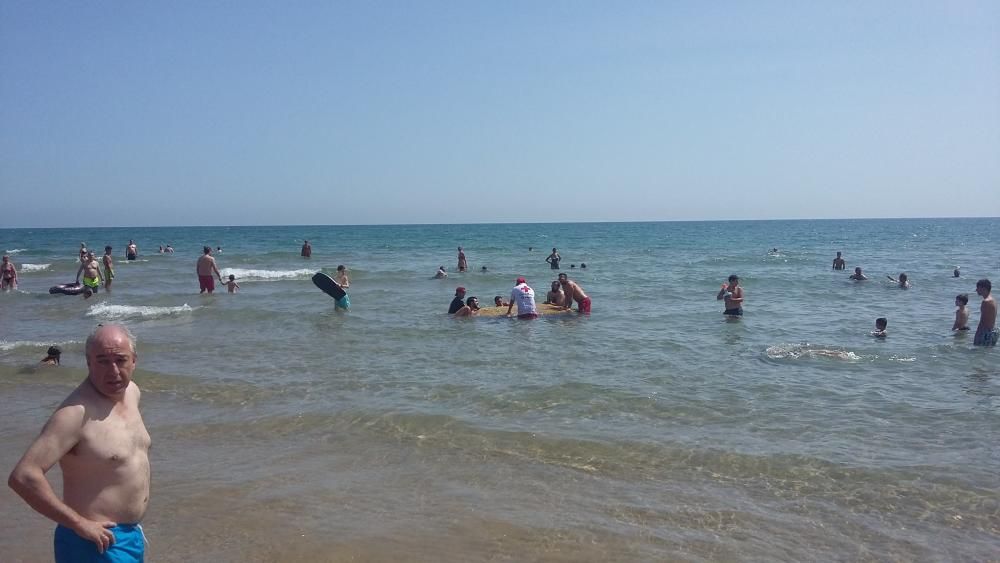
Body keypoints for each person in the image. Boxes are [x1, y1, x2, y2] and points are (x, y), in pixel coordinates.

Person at [8, 324, 151, 562]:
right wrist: (79, 524)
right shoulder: (74, 414)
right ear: (88, 363)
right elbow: (23, 476)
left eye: (120, 360)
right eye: (102, 361)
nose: (113, 371)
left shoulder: (132, 393)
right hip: (93, 542)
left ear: (134, 360)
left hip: (129, 538)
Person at [974, 279, 997, 346]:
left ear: (984, 288)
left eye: (978, 288)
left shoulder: (986, 302)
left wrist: (977, 336)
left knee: (977, 353)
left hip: (985, 333)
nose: (976, 290)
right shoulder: (993, 300)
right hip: (992, 332)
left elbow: (983, 321)